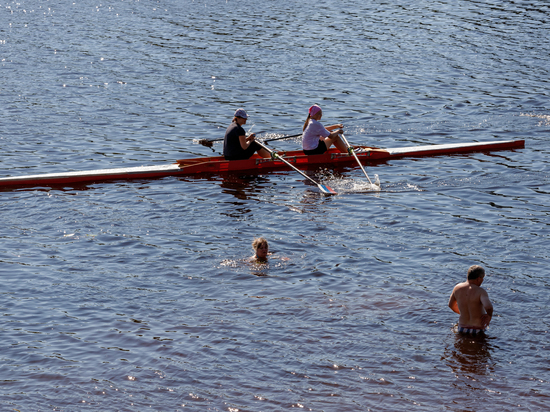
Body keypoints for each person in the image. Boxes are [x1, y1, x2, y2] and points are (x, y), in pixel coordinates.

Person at [448, 265, 494, 334]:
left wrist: (464, 313)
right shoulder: (480, 291)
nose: (483, 280)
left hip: (462, 327)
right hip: (477, 328)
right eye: (482, 278)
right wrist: (489, 316)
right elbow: (489, 307)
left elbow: (451, 305)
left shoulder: (457, 288)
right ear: (478, 278)